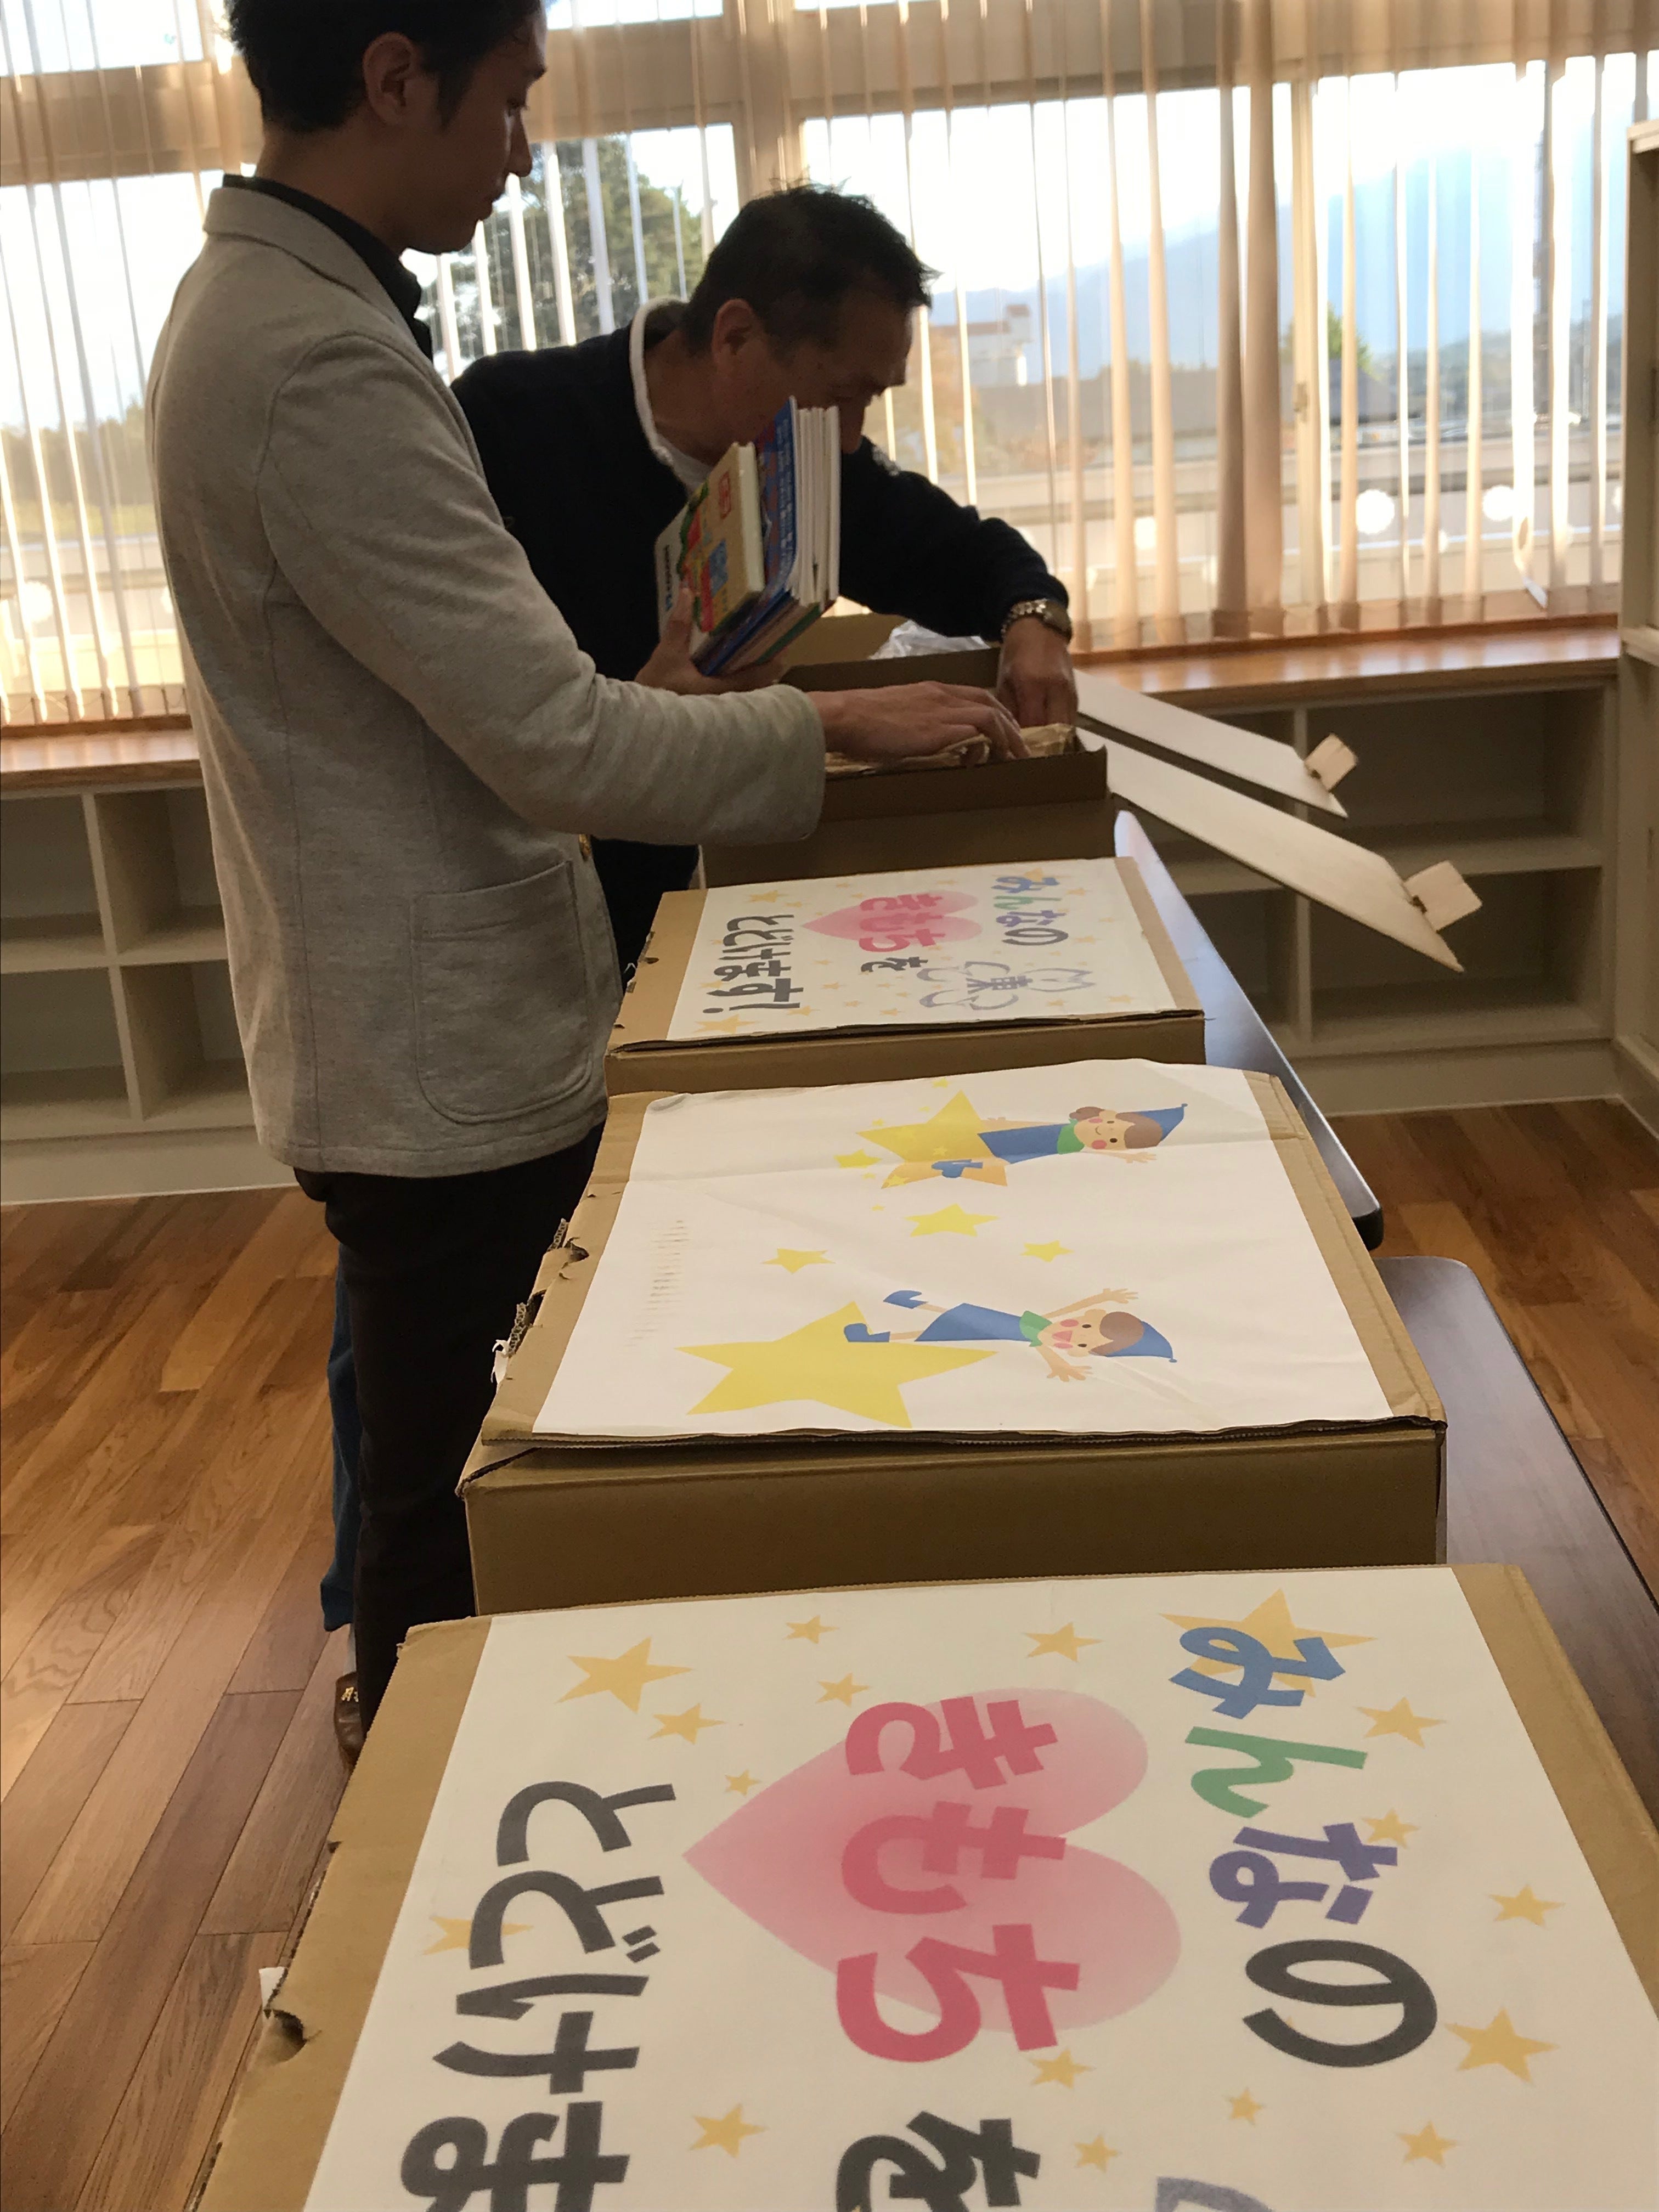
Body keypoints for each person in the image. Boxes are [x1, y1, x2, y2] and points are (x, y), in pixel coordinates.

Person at [149, 0, 1024, 1730]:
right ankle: (423, 1783)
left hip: (435, 1010)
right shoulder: (320, 362)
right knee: (451, 1483)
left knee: (462, 1439)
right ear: (394, 77)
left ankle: (450, 1743)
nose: (524, 153)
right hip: (433, 1036)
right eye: (511, 102)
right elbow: (555, 739)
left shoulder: (288, 312)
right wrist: (833, 728)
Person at [455, 182, 1078, 980]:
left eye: (872, 400)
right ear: (736, 336)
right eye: (843, 395)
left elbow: (965, 555)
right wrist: (646, 713)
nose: (851, 438)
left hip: (715, 927)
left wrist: (1034, 618)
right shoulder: (510, 422)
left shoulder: (816, 471)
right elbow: (471, 732)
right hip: (535, 934)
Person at [844, 1288, 1176, 1382]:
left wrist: (1059, 1365)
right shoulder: (1062, 1327)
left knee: (939, 1332)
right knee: (953, 1317)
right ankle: (910, 1307)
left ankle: (876, 1338)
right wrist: (1102, 1298)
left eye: (1086, 1342)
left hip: (1002, 1330)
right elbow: (1068, 1310)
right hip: (1004, 1323)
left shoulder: (1056, 1340)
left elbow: (1041, 1345)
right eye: (1087, 1327)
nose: (1079, 1332)